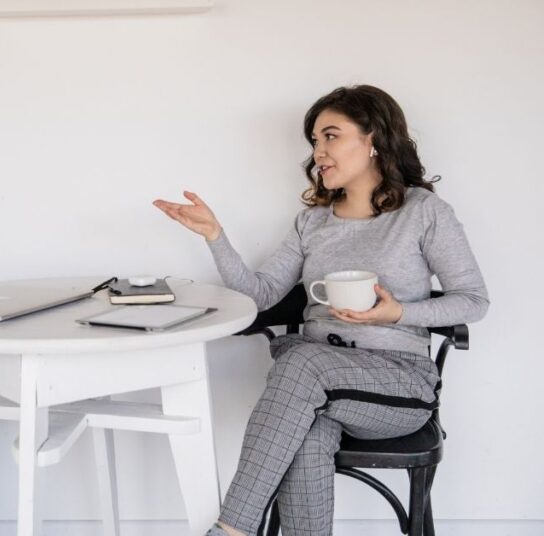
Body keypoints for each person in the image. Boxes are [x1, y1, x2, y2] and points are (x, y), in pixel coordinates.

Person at [154, 85, 488, 536]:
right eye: (314, 141)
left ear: (373, 139)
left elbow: (473, 299)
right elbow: (262, 294)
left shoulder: (423, 212)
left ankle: (230, 529)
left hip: (397, 382)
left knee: (301, 362)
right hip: (316, 389)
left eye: (331, 136)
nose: (319, 152)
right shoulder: (313, 221)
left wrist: (396, 314)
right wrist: (215, 236)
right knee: (307, 433)